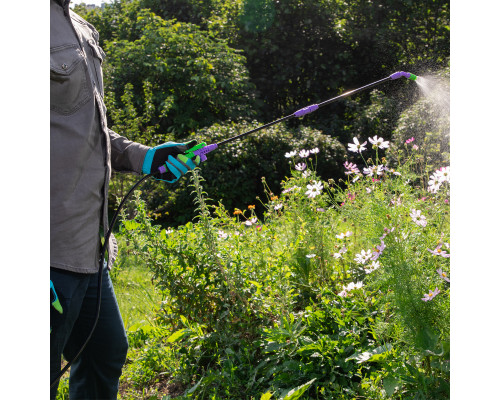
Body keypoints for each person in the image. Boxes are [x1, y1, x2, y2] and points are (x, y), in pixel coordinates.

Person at [50, 1, 202, 398]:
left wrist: (147, 157)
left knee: (104, 353)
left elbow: (89, 130)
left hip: (88, 249)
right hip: (45, 253)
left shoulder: (79, 26)